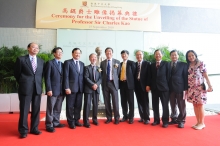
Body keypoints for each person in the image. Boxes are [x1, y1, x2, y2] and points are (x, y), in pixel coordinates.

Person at [14, 42, 44, 138]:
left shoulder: (41, 61)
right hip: (25, 88)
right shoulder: (21, 59)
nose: (35, 49)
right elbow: (17, 74)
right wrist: (24, 82)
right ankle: (23, 130)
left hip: (37, 89)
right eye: (33, 47)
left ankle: (34, 128)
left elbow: (41, 76)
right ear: (28, 48)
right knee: (24, 110)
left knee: (36, 110)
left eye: (37, 48)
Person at [185, 50, 213, 130]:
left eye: (192, 55)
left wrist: (210, 85)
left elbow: (205, 75)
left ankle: (202, 123)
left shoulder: (201, 63)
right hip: (191, 88)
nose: (191, 57)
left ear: (195, 55)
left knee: (200, 105)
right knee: (195, 105)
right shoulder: (188, 65)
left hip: (199, 88)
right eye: (189, 56)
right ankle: (198, 122)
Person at [44, 47, 65, 132]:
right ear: (54, 54)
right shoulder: (50, 63)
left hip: (61, 90)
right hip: (52, 90)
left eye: (61, 52)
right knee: (50, 108)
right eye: (58, 52)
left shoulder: (63, 64)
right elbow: (47, 77)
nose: (60, 54)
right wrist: (49, 89)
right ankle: (49, 124)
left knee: (58, 108)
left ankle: (56, 122)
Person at [63, 48, 84, 129]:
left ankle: (76, 120)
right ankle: (70, 121)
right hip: (71, 88)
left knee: (78, 106)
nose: (77, 54)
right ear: (72, 54)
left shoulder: (82, 64)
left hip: (80, 89)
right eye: (76, 53)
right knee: (70, 106)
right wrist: (67, 87)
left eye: (79, 53)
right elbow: (66, 76)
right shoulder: (68, 62)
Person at [100, 47, 121, 124]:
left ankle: (116, 118)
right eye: (107, 52)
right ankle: (109, 118)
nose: (109, 53)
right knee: (106, 101)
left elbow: (118, 73)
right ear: (105, 53)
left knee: (115, 102)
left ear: (112, 53)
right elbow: (101, 74)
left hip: (113, 83)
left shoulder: (117, 62)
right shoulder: (102, 63)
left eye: (110, 52)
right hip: (105, 84)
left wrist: (114, 80)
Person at [150, 49, 170, 128]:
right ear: (154, 56)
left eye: (159, 54)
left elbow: (168, 76)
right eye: (156, 54)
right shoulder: (152, 65)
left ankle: (165, 121)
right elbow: (150, 76)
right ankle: (156, 120)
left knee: (165, 105)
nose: (157, 55)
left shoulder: (166, 64)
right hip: (154, 88)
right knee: (155, 105)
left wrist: (167, 86)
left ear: (162, 55)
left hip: (164, 88)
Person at [168, 50, 188, 128]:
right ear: (170, 56)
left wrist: (186, 88)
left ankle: (181, 121)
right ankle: (174, 119)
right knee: (172, 105)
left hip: (180, 88)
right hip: (170, 88)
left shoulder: (183, 65)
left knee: (181, 105)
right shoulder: (168, 64)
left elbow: (186, 77)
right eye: (172, 55)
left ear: (178, 56)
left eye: (175, 55)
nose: (174, 56)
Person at [83, 53, 102, 128]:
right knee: (87, 105)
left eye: (95, 57)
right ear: (89, 59)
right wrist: (92, 85)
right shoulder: (86, 68)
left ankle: (95, 119)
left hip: (96, 89)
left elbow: (101, 78)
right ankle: (86, 121)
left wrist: (96, 84)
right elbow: (86, 77)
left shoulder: (99, 68)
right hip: (88, 89)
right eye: (92, 57)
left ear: (96, 59)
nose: (94, 58)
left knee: (95, 105)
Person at [134, 50, 151, 124]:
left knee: (145, 102)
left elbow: (149, 76)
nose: (139, 56)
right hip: (136, 85)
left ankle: (146, 118)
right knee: (139, 101)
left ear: (142, 55)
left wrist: (148, 85)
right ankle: (142, 117)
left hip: (144, 86)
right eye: (137, 55)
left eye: (140, 54)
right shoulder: (134, 64)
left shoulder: (147, 64)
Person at [119, 50, 136, 124]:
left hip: (129, 85)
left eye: (125, 54)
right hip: (122, 84)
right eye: (122, 54)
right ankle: (125, 116)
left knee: (131, 101)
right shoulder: (120, 64)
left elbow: (134, 74)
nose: (124, 56)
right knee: (123, 101)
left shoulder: (131, 63)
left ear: (128, 55)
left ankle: (131, 117)